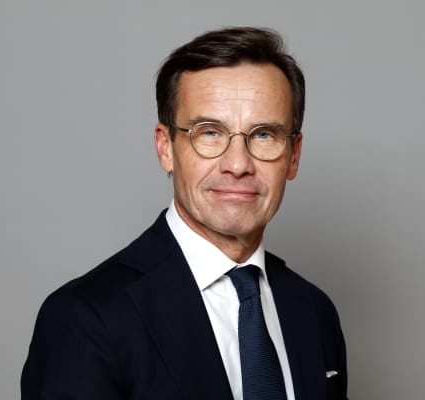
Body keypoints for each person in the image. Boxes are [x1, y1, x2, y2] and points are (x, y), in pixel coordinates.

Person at [21, 26, 348, 400]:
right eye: (209, 133)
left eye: (263, 135)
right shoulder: (86, 318)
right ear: (166, 148)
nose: (238, 165)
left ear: (294, 155)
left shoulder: (314, 312)